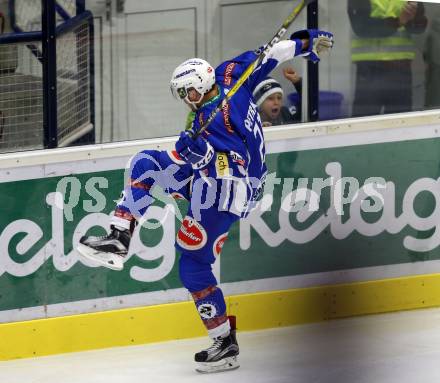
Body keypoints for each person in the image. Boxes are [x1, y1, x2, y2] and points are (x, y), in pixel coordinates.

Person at [77, 28, 333, 373]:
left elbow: (227, 167)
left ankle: (225, 343)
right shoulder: (230, 72)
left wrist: (199, 154)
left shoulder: (217, 124)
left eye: (188, 92)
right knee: (146, 163)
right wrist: (307, 42)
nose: (187, 98)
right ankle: (120, 236)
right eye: (183, 94)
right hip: (218, 176)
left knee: (193, 265)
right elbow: (271, 52)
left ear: (200, 85)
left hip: (229, 190)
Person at [348, 0, 427, 117]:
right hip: (370, 69)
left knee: (400, 123)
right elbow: (361, 27)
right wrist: (398, 21)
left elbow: (418, 28)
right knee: (365, 124)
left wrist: (414, 18)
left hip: (400, 69)